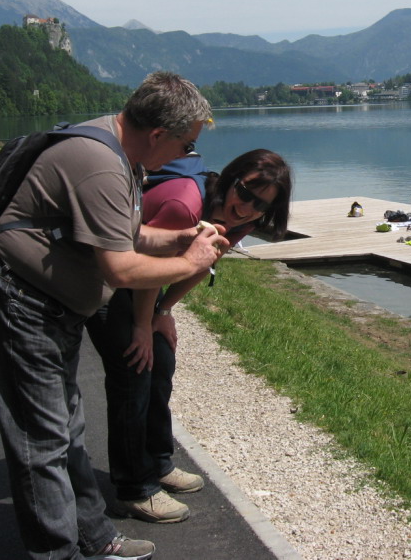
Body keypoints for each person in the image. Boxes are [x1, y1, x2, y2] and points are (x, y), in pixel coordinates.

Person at [0, 71, 226, 560]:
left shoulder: (119, 151)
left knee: (66, 432)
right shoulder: (102, 164)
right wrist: (192, 263)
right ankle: (58, 552)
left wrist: (181, 237)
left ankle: (94, 537)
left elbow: (126, 233)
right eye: (186, 144)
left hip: (49, 305)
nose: (188, 155)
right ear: (158, 134)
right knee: (41, 445)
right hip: (20, 302)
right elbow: (121, 267)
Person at [86, 149, 292, 524]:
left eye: (261, 205)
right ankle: (134, 489)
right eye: (245, 193)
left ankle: (158, 462)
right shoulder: (186, 204)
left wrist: (163, 313)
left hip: (144, 278)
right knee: (134, 369)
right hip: (104, 276)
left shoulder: (243, 220)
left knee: (161, 361)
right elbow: (153, 265)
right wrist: (141, 326)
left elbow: (203, 263)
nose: (246, 208)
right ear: (231, 179)